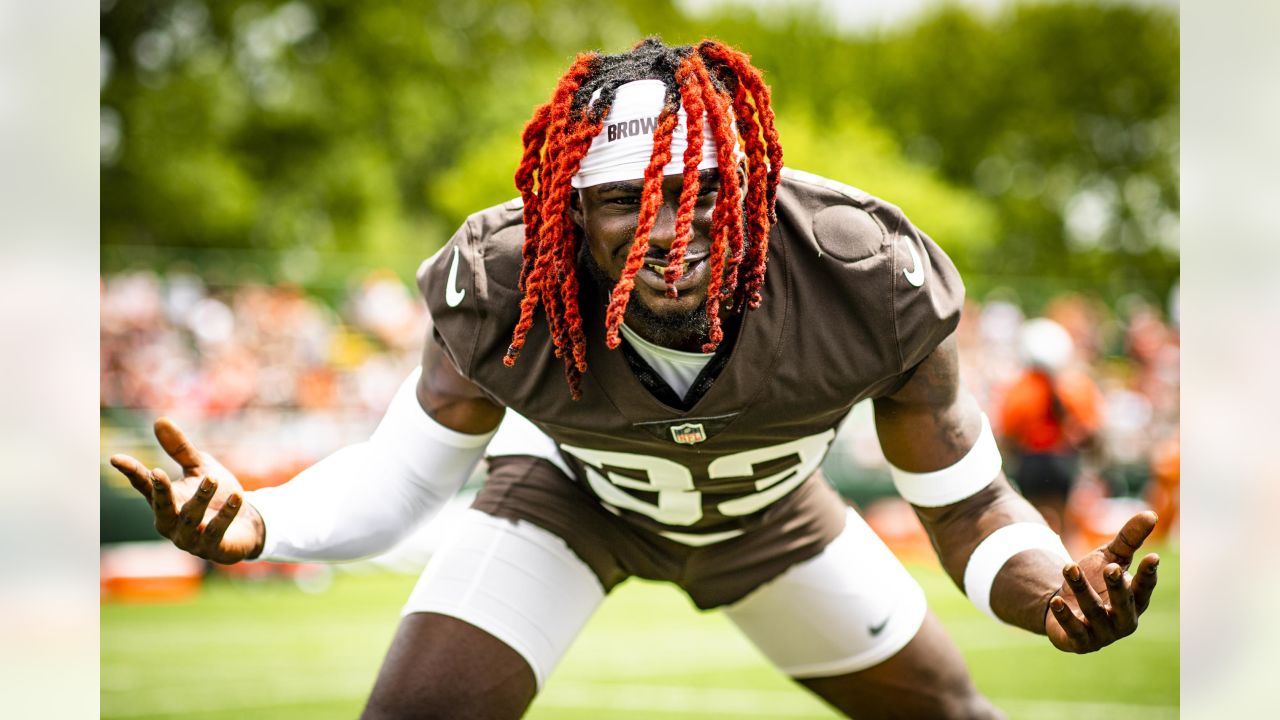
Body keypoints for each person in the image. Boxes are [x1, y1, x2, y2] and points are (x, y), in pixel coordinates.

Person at [109, 38, 1161, 719]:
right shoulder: (504, 284)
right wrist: (261, 523)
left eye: (701, 188)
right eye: (626, 200)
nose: (669, 228)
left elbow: (965, 501)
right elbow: (403, 479)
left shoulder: (862, 273)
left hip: (771, 522)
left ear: (750, 182)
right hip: (569, 502)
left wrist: (1046, 597)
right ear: (569, 212)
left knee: (952, 716)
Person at [997, 317, 1105, 543]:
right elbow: (1090, 433)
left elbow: (1008, 435)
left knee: (1031, 520)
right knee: (1067, 524)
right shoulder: (1076, 385)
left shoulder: (1019, 388)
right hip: (1063, 460)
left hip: (1031, 461)